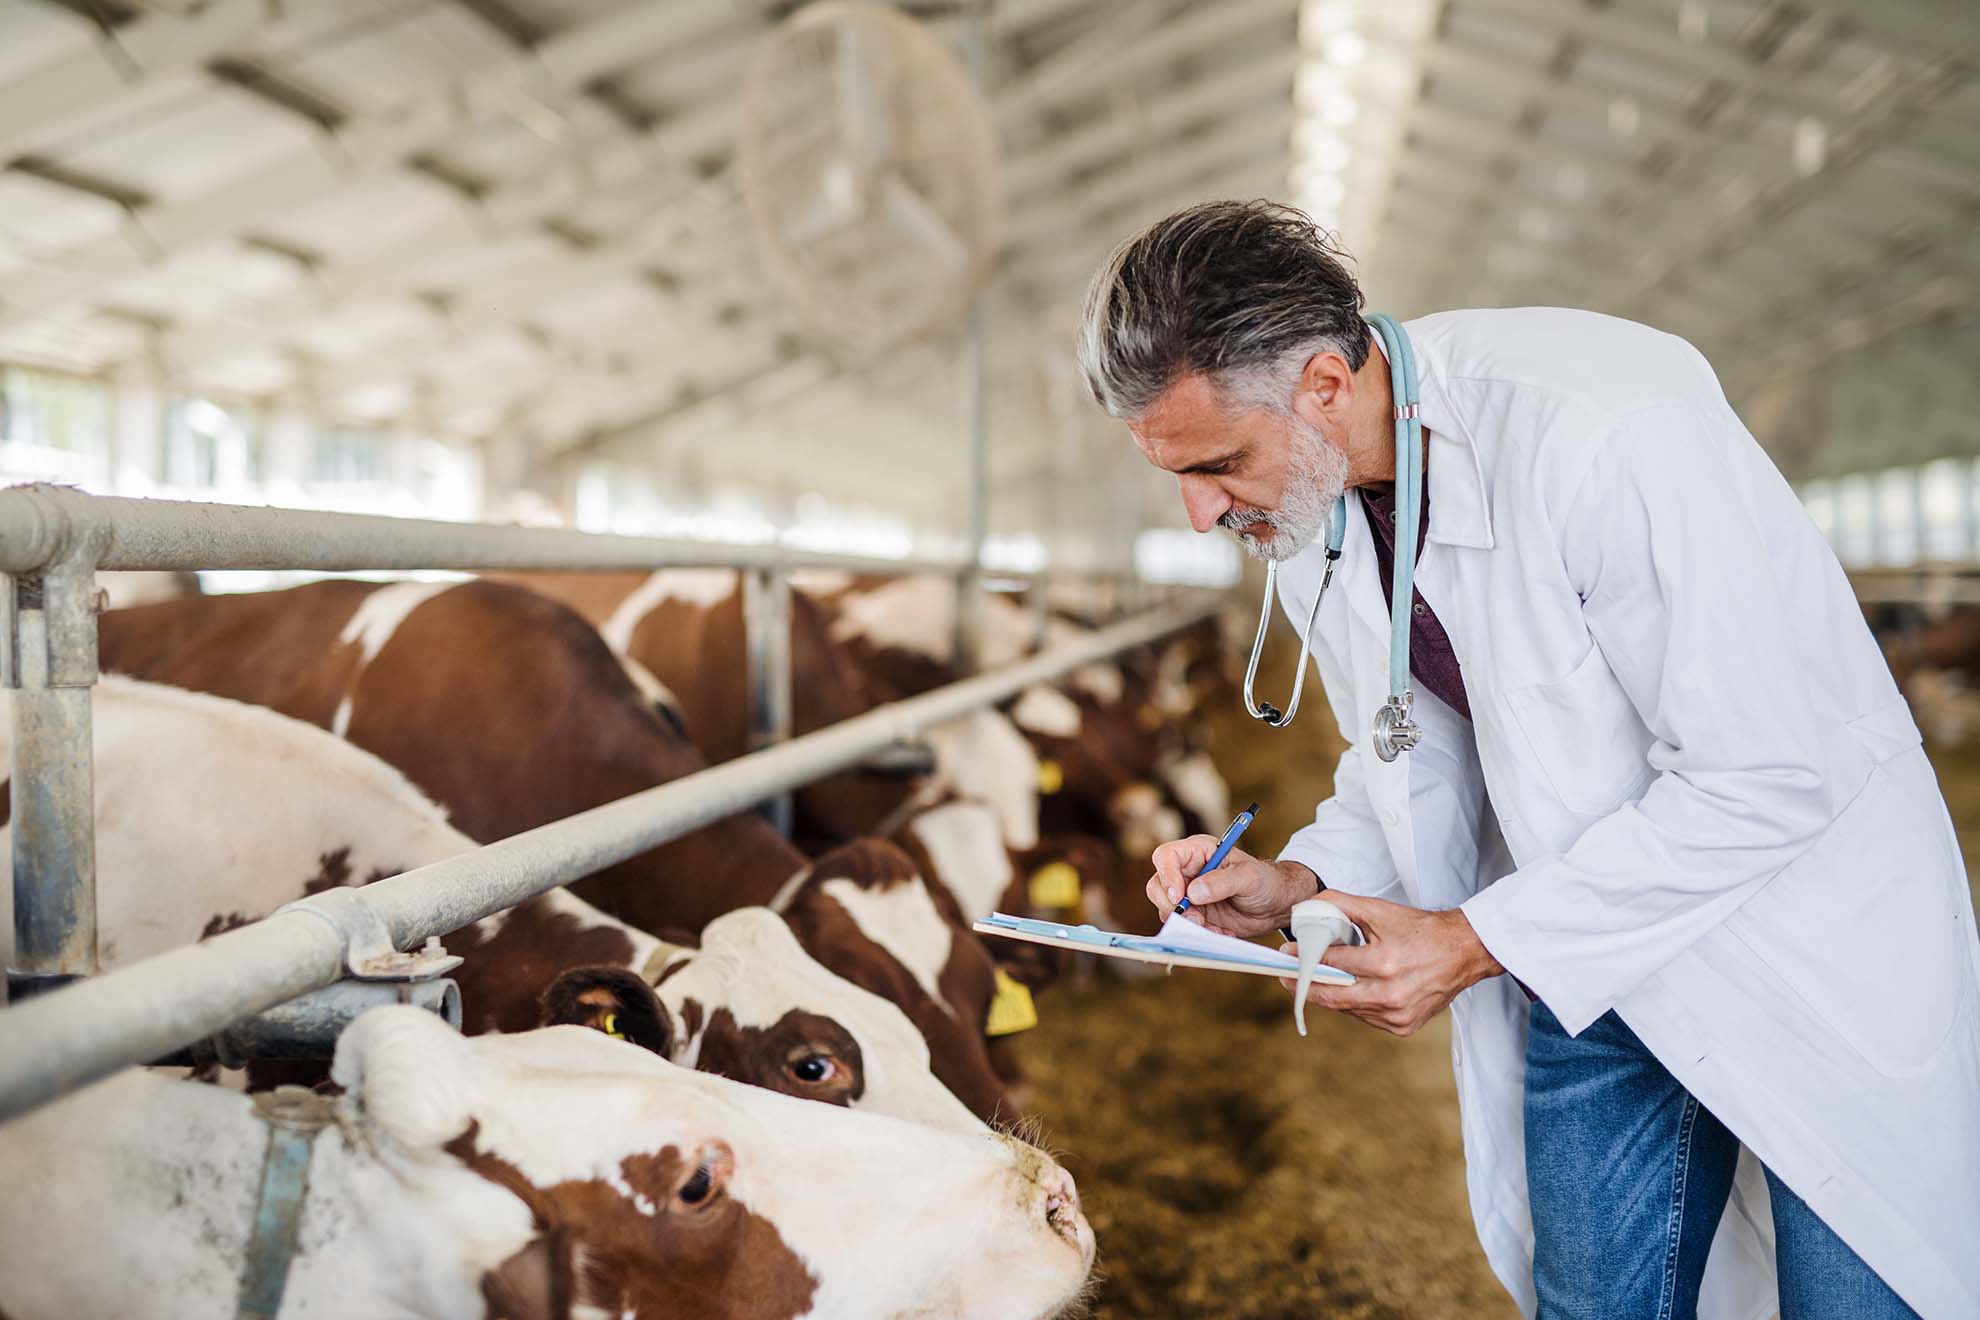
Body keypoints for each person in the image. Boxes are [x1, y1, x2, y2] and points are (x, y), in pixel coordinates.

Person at [1078, 199, 1980, 1319]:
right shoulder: (1312, 503)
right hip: (1578, 950)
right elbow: (1404, 746)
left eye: (1217, 463)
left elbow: (1764, 775)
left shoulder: (1602, 427)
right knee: (1593, 1301)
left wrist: (1469, 939)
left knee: (1853, 1296)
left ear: (1322, 383)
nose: (1199, 509)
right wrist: (1298, 880)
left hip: (1794, 942)